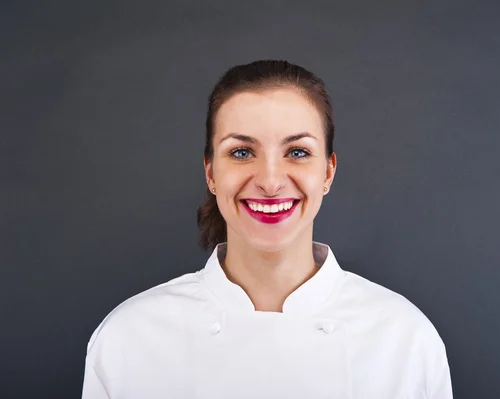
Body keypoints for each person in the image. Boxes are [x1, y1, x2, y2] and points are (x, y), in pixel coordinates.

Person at [81, 60, 453, 398]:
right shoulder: (127, 340)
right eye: (242, 152)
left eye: (298, 152)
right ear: (211, 172)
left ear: (328, 171)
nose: (271, 181)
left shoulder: (405, 339)